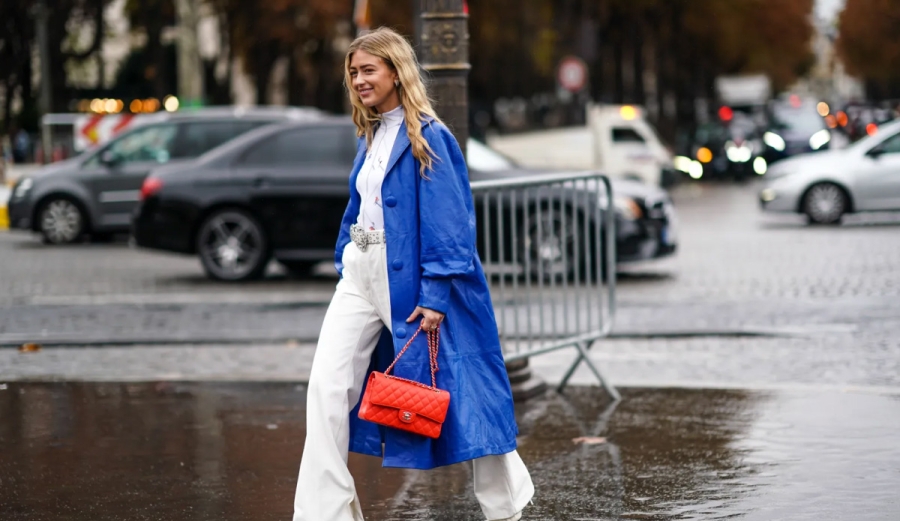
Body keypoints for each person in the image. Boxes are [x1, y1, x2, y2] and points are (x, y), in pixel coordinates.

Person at [293, 27, 534, 521]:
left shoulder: (430, 135)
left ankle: (506, 504)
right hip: (361, 278)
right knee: (326, 387)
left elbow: (451, 222)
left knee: (464, 388)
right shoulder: (372, 132)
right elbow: (361, 207)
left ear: (396, 72)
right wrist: (347, 254)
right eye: (354, 72)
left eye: (368, 70)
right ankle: (324, 513)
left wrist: (437, 293)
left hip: (413, 282)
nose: (359, 80)